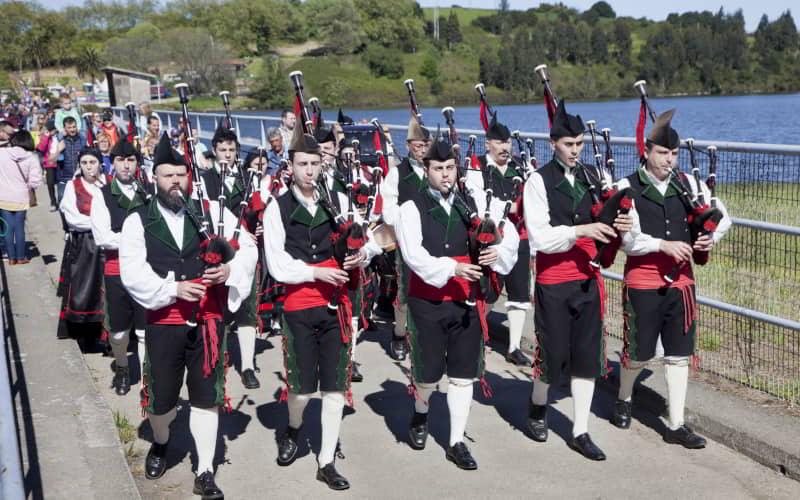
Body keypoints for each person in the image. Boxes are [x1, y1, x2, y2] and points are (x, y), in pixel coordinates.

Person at [119, 132, 256, 498]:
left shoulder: (211, 211)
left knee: (206, 398)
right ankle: (161, 441)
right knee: (161, 404)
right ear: (155, 178)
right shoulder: (138, 220)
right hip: (164, 323)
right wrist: (172, 290)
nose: (175, 181)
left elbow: (248, 247)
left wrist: (230, 272)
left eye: (181, 175)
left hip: (209, 323)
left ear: (189, 177)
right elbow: (133, 274)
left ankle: (206, 470)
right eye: (167, 175)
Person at [262, 125, 381, 490]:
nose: (310, 170)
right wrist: (316, 271)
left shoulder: (340, 204)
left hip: (337, 307)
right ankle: (294, 427)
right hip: (299, 305)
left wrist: (361, 254)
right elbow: (277, 266)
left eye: (315, 163)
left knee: (334, 388)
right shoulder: (276, 209)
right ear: (291, 166)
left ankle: (326, 459)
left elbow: (370, 241)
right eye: (303, 164)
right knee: (300, 387)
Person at [396, 134, 519, 470]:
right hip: (429, 301)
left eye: (450, 167)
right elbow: (414, 256)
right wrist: (452, 267)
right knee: (428, 374)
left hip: (466, 302)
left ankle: (456, 441)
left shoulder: (472, 202)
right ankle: (421, 414)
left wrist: (497, 251)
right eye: (439, 168)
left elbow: (507, 230)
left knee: (464, 375)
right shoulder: (411, 207)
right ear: (427, 170)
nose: (446, 174)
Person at [610, 109, 731, 447]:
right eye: (663, 153)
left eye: (674, 153)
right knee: (639, 352)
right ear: (646, 151)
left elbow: (722, 218)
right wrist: (663, 244)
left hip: (681, 285)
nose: (670, 160)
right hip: (644, 280)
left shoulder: (689, 184)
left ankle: (676, 425)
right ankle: (624, 396)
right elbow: (628, 241)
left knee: (679, 353)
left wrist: (708, 238)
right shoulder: (627, 187)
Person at [522, 100, 632, 460]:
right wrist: (581, 229)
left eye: (580, 145)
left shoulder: (590, 177)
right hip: (554, 280)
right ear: (553, 143)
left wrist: (621, 223)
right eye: (569, 145)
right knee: (552, 355)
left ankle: (580, 430)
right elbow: (539, 239)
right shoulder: (538, 181)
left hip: (588, 279)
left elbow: (606, 220)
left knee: (586, 358)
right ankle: (538, 403)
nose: (576, 151)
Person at [466, 113, 532, 366]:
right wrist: (510, 207)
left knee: (519, 295)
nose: (505, 147)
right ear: (488, 144)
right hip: (490, 239)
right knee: (489, 290)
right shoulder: (476, 165)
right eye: (499, 142)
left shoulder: (521, 167)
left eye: (508, 143)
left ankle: (514, 347)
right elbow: (477, 198)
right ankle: (477, 337)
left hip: (521, 237)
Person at [200, 125, 262, 390]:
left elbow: (257, 211)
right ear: (214, 151)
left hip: (244, 252)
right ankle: (218, 358)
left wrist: (258, 224)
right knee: (218, 309)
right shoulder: (204, 180)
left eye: (232, 150)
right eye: (222, 149)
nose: (227, 154)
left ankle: (247, 365)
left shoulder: (247, 180)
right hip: (215, 251)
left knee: (247, 309)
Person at [90, 139, 149, 395]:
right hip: (116, 272)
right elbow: (103, 238)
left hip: (146, 269)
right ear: (112, 164)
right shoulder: (102, 195)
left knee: (146, 329)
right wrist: (136, 239)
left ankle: (148, 375)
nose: (126, 165)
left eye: (131, 160)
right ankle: (123, 367)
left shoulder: (148, 192)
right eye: (121, 160)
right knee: (118, 332)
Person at [381, 115, 430, 361]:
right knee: (404, 293)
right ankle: (400, 333)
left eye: (425, 145)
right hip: (407, 241)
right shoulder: (398, 174)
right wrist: (406, 220)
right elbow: (387, 210)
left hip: (434, 240)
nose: (421, 149)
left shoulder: (438, 169)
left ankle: (426, 337)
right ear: (409, 146)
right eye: (417, 145)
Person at [57, 148, 106, 342]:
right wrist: (100, 223)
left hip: (106, 243)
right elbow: (72, 219)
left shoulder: (108, 184)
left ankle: (108, 335)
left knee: (107, 289)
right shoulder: (73, 185)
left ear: (100, 163)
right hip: (84, 244)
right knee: (84, 290)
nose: (88, 166)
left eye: (92, 162)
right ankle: (86, 335)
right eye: (84, 163)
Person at [0, 130, 43, 265]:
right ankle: (20, 257)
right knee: (19, 227)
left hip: (3, 196)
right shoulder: (32, 157)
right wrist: (27, 186)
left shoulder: (2, 153)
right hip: (22, 197)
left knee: (7, 228)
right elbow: (35, 181)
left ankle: (11, 258)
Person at [51, 116, 85, 202]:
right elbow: (51, 159)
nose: (72, 129)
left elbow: (85, 148)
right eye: (69, 127)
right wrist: (60, 137)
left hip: (78, 177)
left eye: (74, 127)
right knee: (62, 199)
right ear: (64, 129)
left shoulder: (81, 139)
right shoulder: (59, 140)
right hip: (64, 178)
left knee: (79, 202)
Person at [36, 119, 60, 210]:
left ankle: (61, 200)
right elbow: (41, 148)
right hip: (50, 163)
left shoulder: (59, 136)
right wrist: (46, 136)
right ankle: (53, 202)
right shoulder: (45, 137)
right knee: (50, 183)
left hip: (59, 161)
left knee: (60, 183)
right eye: (51, 130)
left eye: (54, 130)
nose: (53, 131)